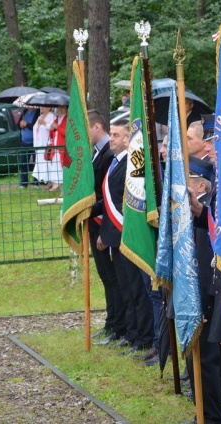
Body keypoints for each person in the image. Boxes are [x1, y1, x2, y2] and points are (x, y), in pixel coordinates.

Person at [185, 155, 221, 424]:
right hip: (191, 296)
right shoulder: (189, 211)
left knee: (205, 363)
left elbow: (204, 261)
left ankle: (211, 417)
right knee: (194, 362)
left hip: (204, 299)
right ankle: (202, 413)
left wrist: (199, 301)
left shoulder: (207, 211)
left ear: (201, 185)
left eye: (186, 179)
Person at [86, 109, 122, 344]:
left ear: (97, 126)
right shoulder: (98, 152)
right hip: (97, 220)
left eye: (86, 129)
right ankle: (112, 323)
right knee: (106, 277)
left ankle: (118, 325)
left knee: (113, 278)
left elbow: (108, 195)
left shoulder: (109, 154)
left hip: (105, 222)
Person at [31, 106, 56, 188]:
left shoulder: (52, 116)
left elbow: (52, 128)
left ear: (49, 108)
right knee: (40, 163)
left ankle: (51, 182)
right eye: (41, 106)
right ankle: (42, 181)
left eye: (44, 106)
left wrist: (45, 123)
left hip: (46, 144)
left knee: (47, 162)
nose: (42, 108)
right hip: (38, 144)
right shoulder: (40, 116)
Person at [18, 107, 39, 188]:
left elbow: (35, 126)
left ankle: (36, 182)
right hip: (24, 142)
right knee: (23, 162)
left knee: (36, 162)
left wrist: (26, 124)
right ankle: (24, 182)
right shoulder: (24, 112)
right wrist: (20, 125)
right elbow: (18, 125)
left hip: (34, 142)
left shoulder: (37, 112)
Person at [47, 106, 67, 192]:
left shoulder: (67, 119)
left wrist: (57, 127)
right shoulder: (57, 119)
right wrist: (51, 129)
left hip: (62, 149)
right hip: (55, 149)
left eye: (62, 107)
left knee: (62, 169)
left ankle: (64, 190)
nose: (60, 109)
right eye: (59, 107)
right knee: (56, 169)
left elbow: (66, 132)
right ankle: (60, 188)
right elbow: (52, 133)